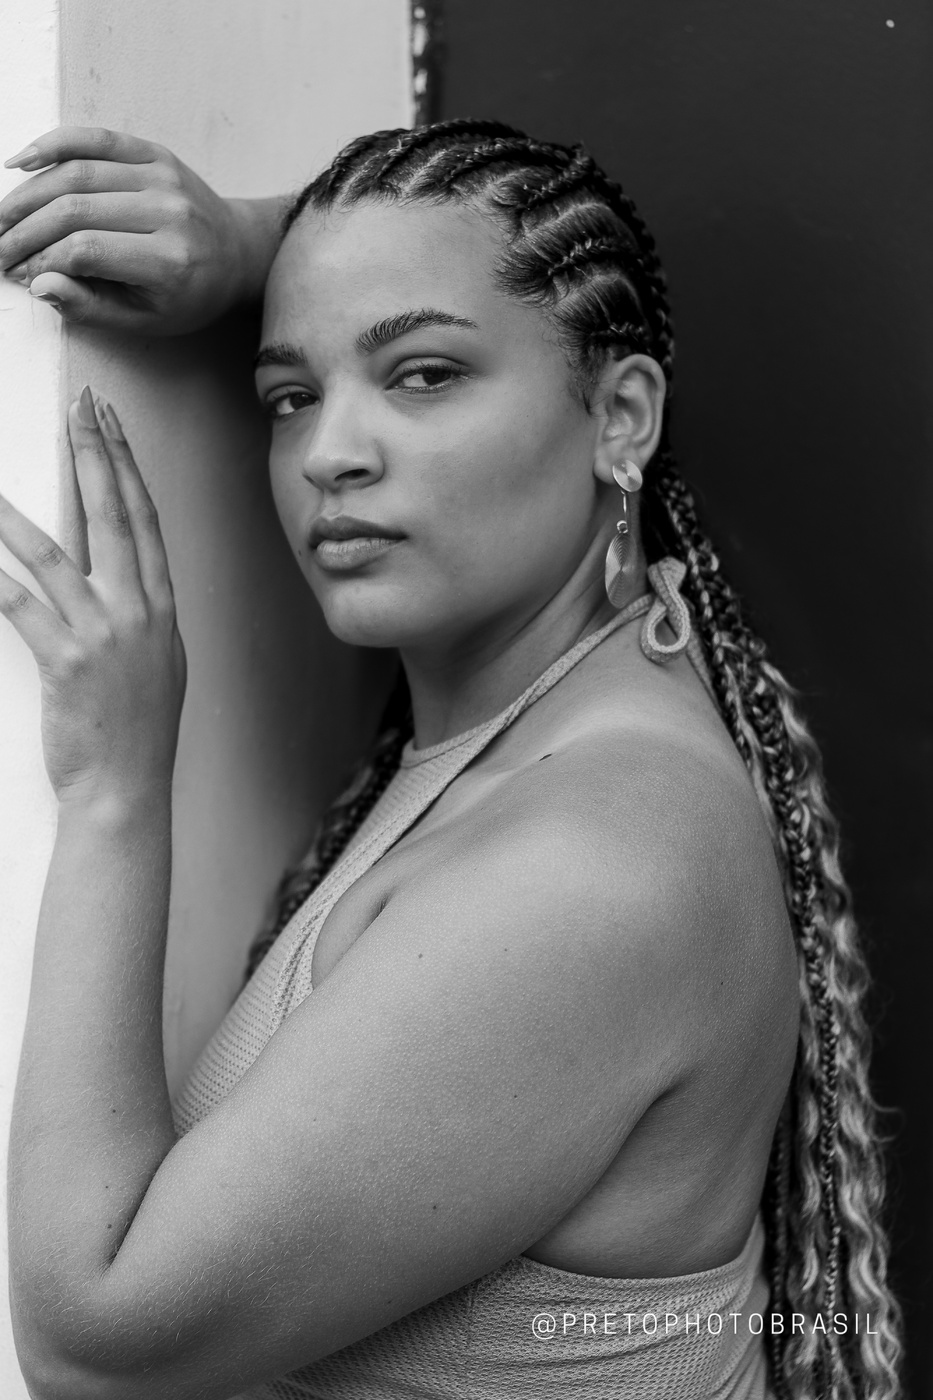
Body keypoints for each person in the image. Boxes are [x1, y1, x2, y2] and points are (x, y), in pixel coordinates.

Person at [0, 120, 902, 1400]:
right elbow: (505, 278)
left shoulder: (597, 860)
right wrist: (252, 248)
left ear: (622, 416)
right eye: (290, 395)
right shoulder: (562, 715)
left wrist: (113, 791)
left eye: (423, 374)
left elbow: (94, 1344)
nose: (331, 452)